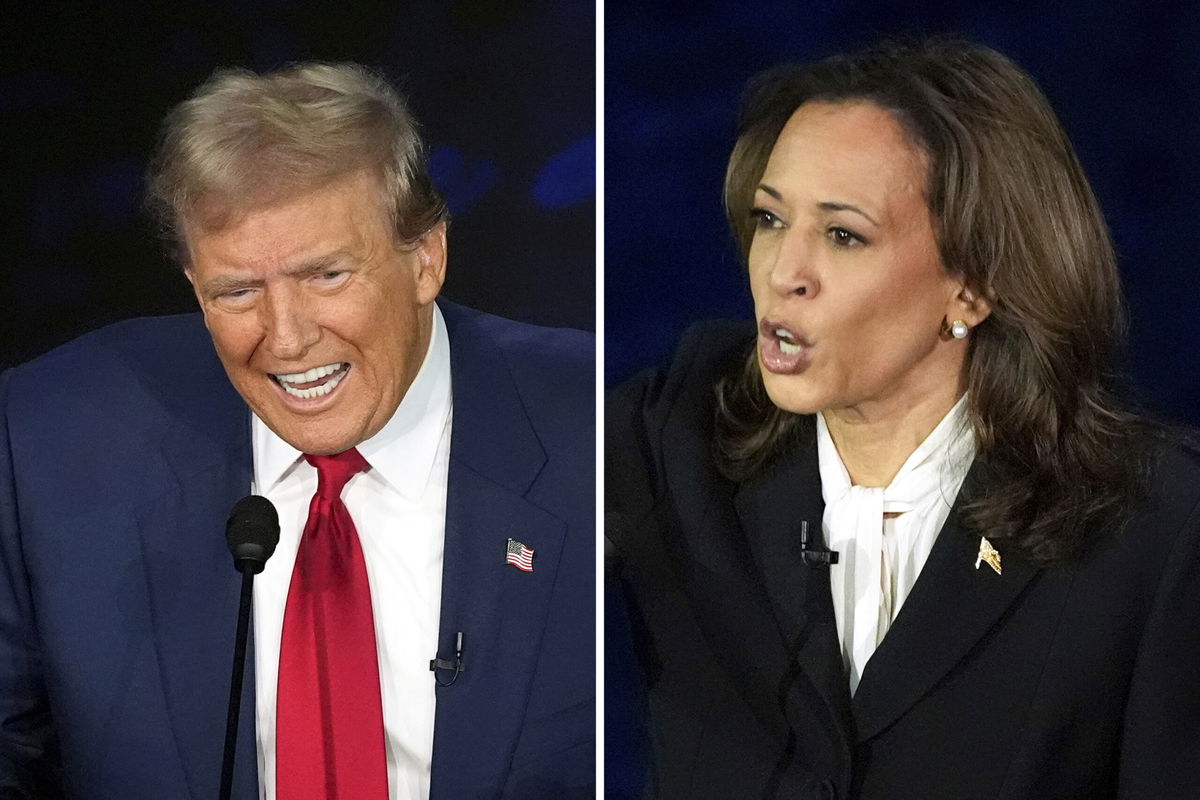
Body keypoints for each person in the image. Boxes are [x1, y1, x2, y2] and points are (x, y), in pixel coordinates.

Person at [607, 38, 1200, 799]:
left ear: (973, 287)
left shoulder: (1154, 531)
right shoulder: (673, 442)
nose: (784, 273)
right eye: (768, 219)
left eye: (843, 234)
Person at [0, 63, 594, 799]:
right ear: (194, 285)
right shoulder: (52, 441)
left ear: (425, 259)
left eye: (326, 276)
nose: (284, 340)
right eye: (238, 291)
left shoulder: (600, 433)